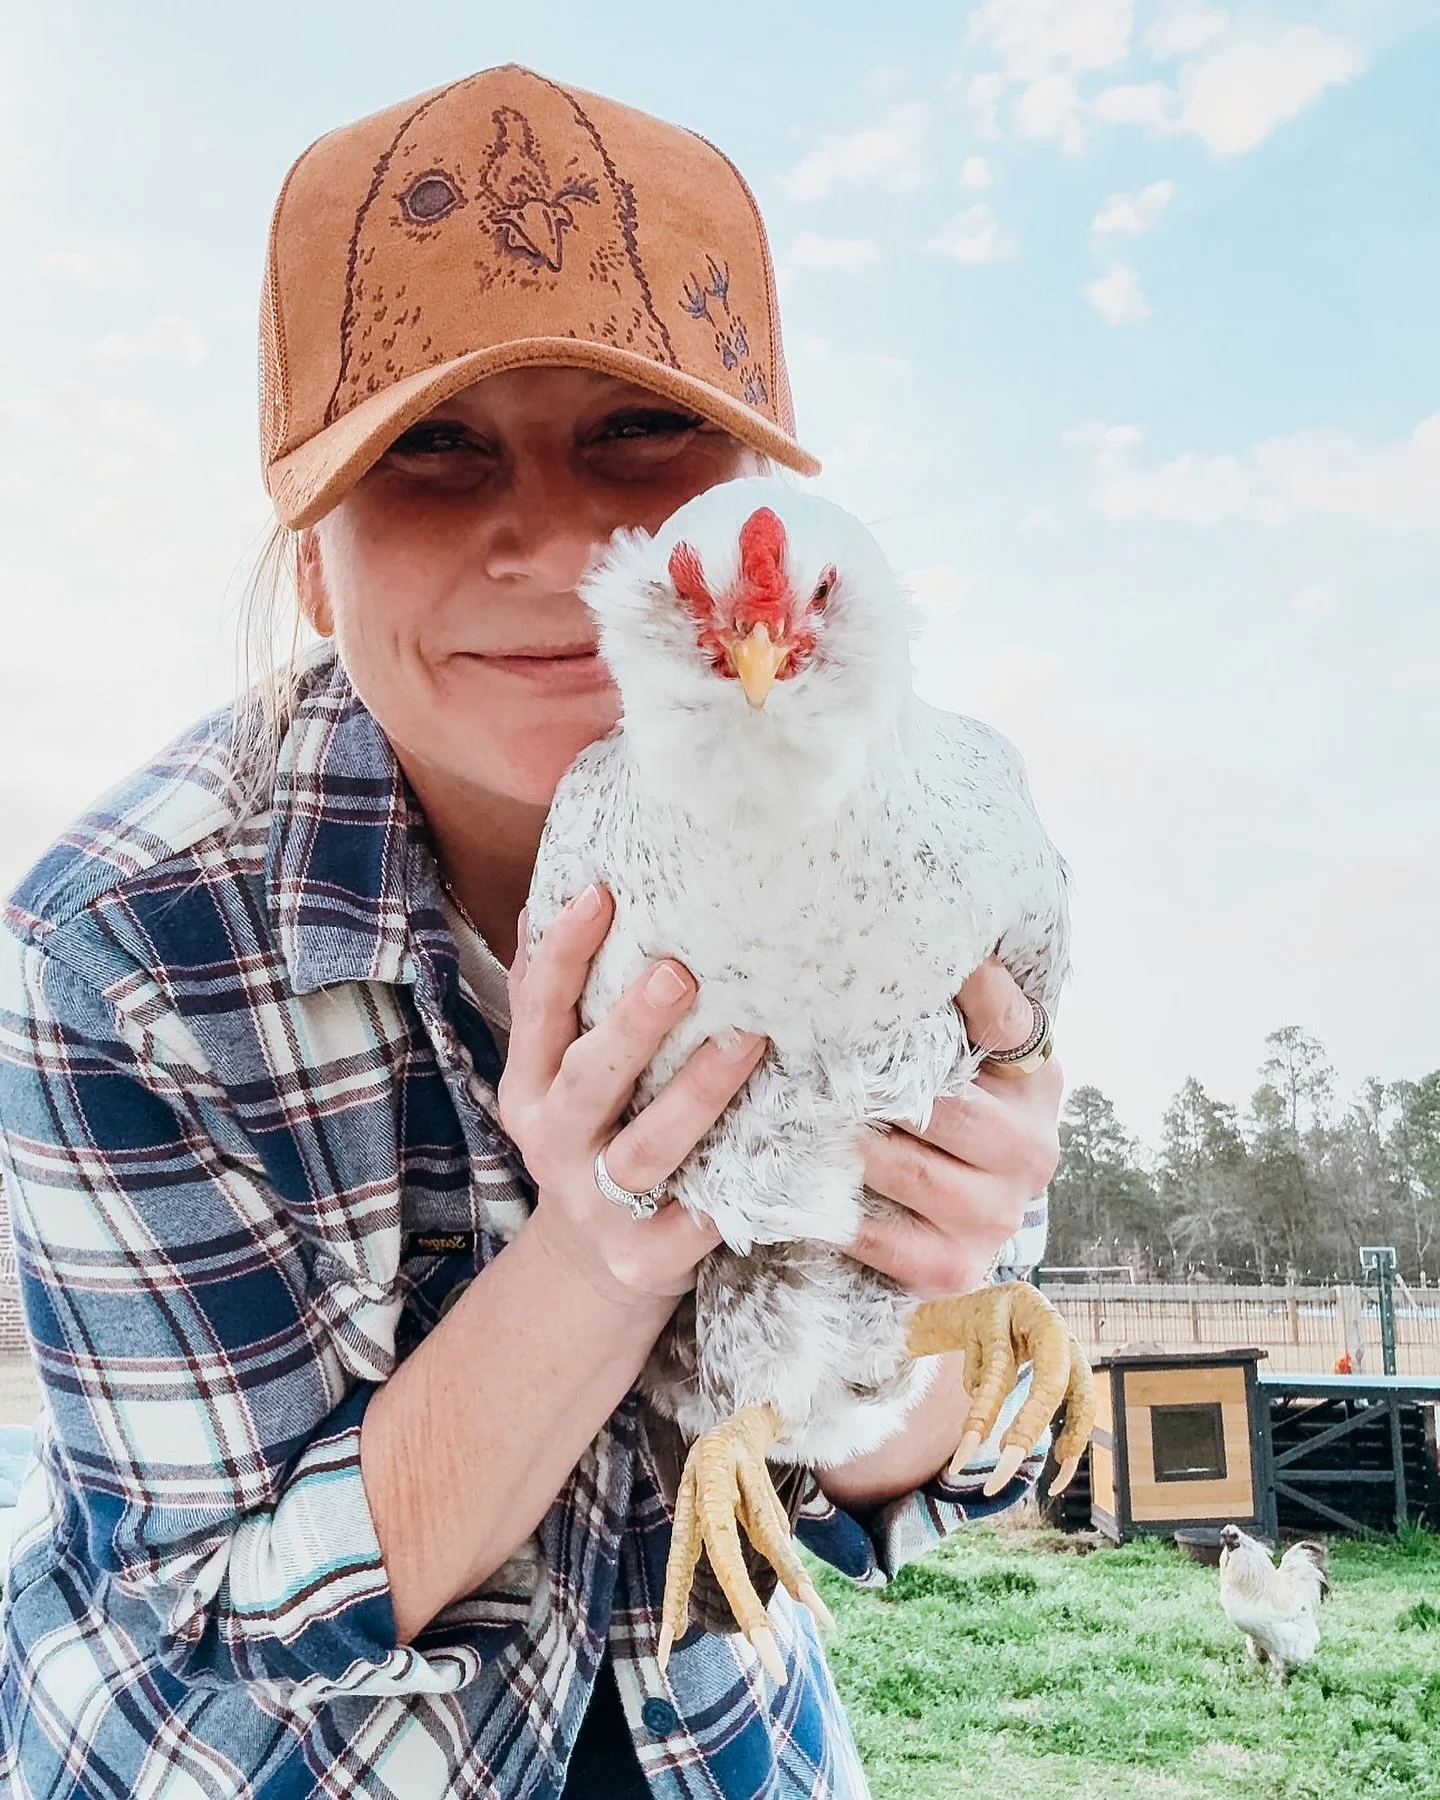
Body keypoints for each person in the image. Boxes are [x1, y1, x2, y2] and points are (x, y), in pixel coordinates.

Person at [0, 65, 1067, 1800]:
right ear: (310, 554)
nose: (564, 542)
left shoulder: (912, 845)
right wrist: (599, 1248)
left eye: (641, 432)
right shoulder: (120, 949)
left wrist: (940, 1270)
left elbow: (898, 1485)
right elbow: (225, 1625)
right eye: (434, 448)